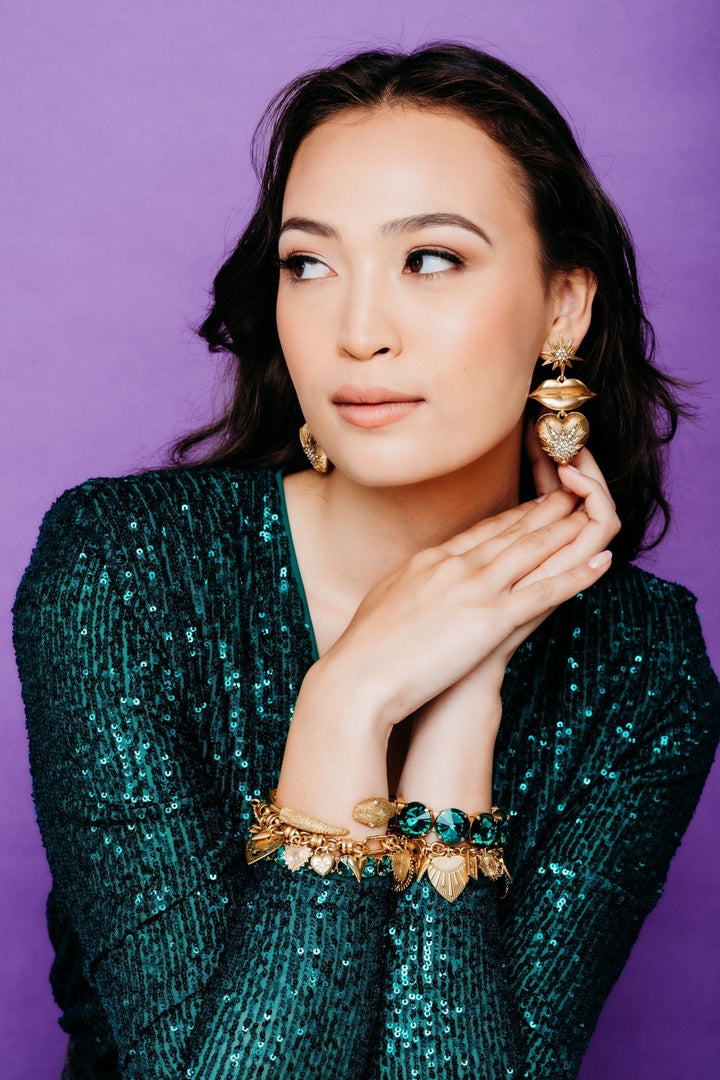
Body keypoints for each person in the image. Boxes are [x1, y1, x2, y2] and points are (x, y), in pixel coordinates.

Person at [12, 43, 720, 1080]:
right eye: (309, 264)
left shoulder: (641, 663)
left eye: (429, 259)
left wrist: (463, 701)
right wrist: (346, 705)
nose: (357, 331)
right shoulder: (123, 569)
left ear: (563, 306)